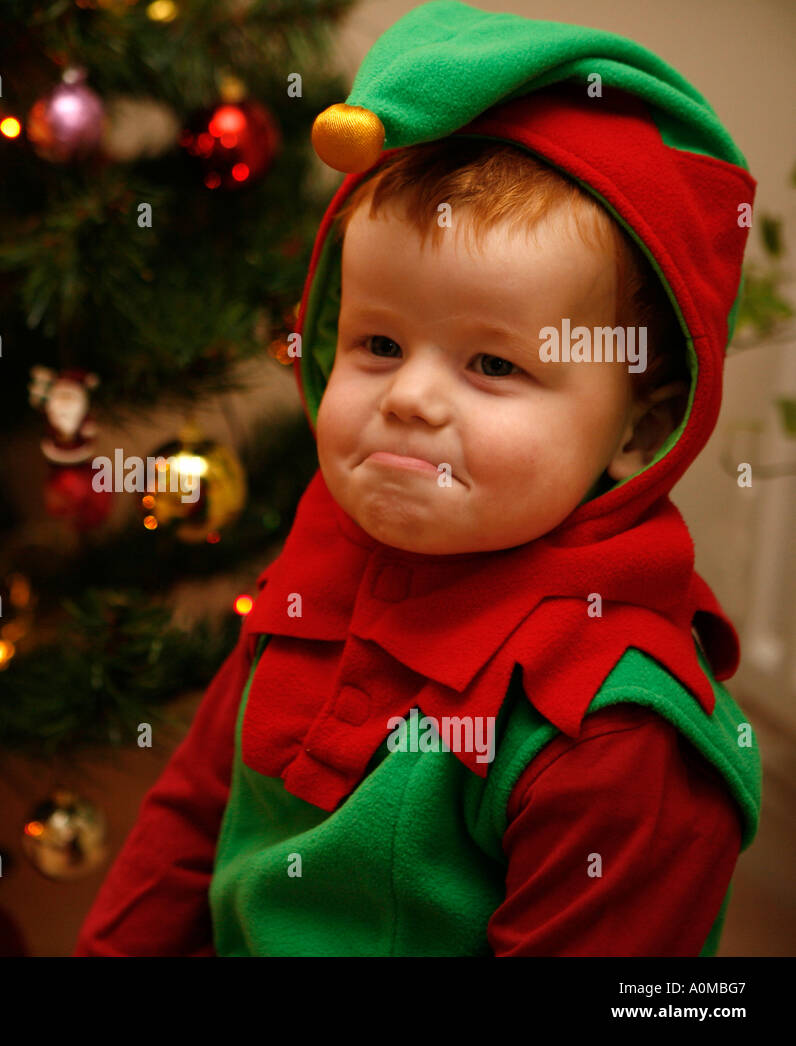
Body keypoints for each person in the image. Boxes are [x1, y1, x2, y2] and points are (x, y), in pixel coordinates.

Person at [74, 0, 762, 957]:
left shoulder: (614, 735)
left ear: (641, 430)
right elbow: (193, 817)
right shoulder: (327, 558)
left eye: (494, 366)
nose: (411, 400)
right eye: (380, 343)